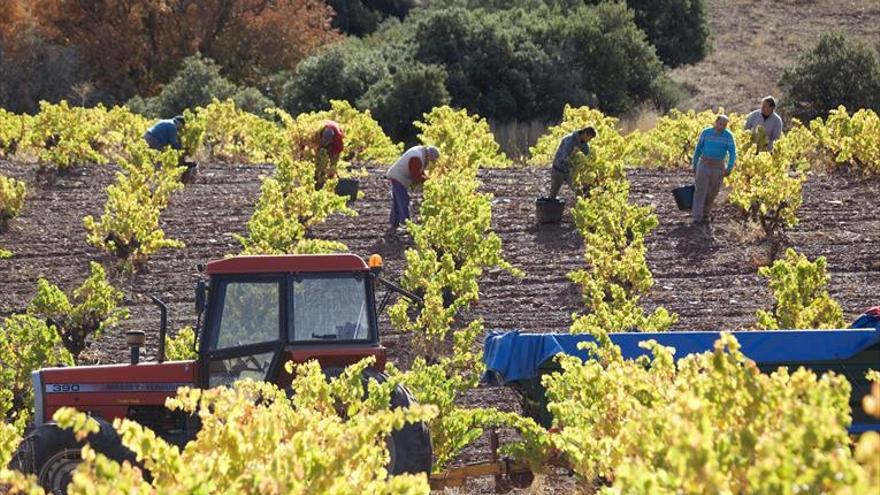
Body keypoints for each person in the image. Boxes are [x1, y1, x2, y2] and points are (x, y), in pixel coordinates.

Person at [691, 115, 737, 227]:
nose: (722, 127)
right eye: (720, 124)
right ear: (715, 122)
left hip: (718, 166)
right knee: (700, 191)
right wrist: (694, 164)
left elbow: (732, 153)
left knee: (713, 192)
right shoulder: (706, 133)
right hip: (704, 164)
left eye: (724, 125)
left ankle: (706, 214)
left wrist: (729, 167)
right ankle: (697, 218)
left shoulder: (728, 136)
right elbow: (698, 148)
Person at [385, 145, 440, 234]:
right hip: (398, 177)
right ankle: (406, 224)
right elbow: (415, 176)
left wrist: (427, 179)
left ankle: (394, 222)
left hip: (397, 176)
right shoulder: (416, 157)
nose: (431, 162)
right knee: (403, 200)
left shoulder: (421, 153)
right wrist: (427, 181)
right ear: (430, 155)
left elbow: (419, 171)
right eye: (432, 159)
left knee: (398, 201)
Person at [548, 127, 596, 199]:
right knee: (553, 193)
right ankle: (549, 208)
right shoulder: (570, 140)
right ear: (585, 134)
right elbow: (565, 156)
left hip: (570, 172)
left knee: (579, 191)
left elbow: (587, 156)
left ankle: (582, 207)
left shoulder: (584, 145)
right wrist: (574, 163)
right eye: (589, 138)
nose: (589, 140)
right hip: (558, 169)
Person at [314, 120, 344, 189]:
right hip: (333, 143)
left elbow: (325, 141)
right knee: (322, 165)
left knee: (330, 167)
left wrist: (319, 147)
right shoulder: (325, 126)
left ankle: (328, 184)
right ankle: (320, 181)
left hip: (336, 148)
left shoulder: (328, 131)